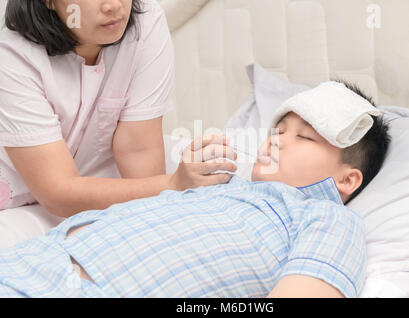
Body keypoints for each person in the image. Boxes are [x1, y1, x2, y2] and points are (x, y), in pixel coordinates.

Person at [0, 82, 391, 298]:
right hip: (24, 265)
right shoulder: (214, 186)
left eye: (304, 137)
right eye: (277, 130)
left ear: (347, 180)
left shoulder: (326, 219)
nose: (277, 141)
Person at [0, 0, 236, 216]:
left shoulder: (146, 21)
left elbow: (138, 148)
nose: (114, 5)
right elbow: (59, 192)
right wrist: (172, 185)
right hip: (15, 201)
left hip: (98, 193)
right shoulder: (12, 58)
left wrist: (165, 202)